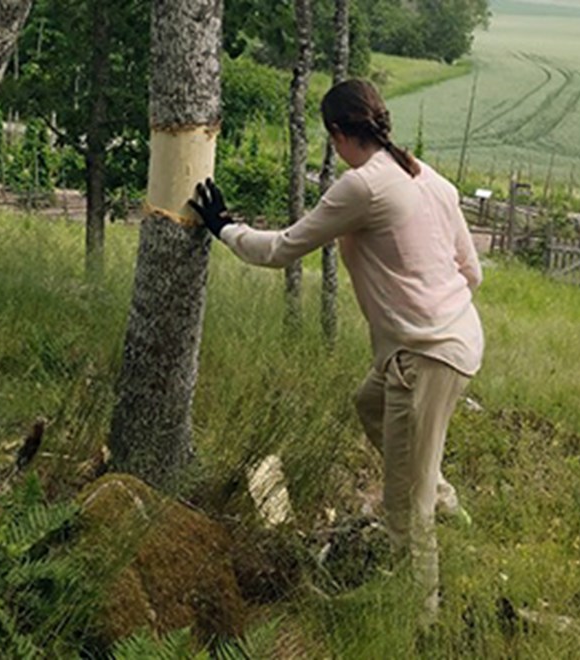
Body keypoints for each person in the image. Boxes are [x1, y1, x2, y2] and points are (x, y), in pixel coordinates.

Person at [189, 79, 483, 626]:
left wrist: (224, 228)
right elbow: (474, 272)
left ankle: (420, 623)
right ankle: (440, 493)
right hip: (459, 342)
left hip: (425, 359)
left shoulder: (364, 186)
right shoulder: (428, 178)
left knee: (405, 513)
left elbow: (281, 250)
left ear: (336, 134)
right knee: (369, 403)